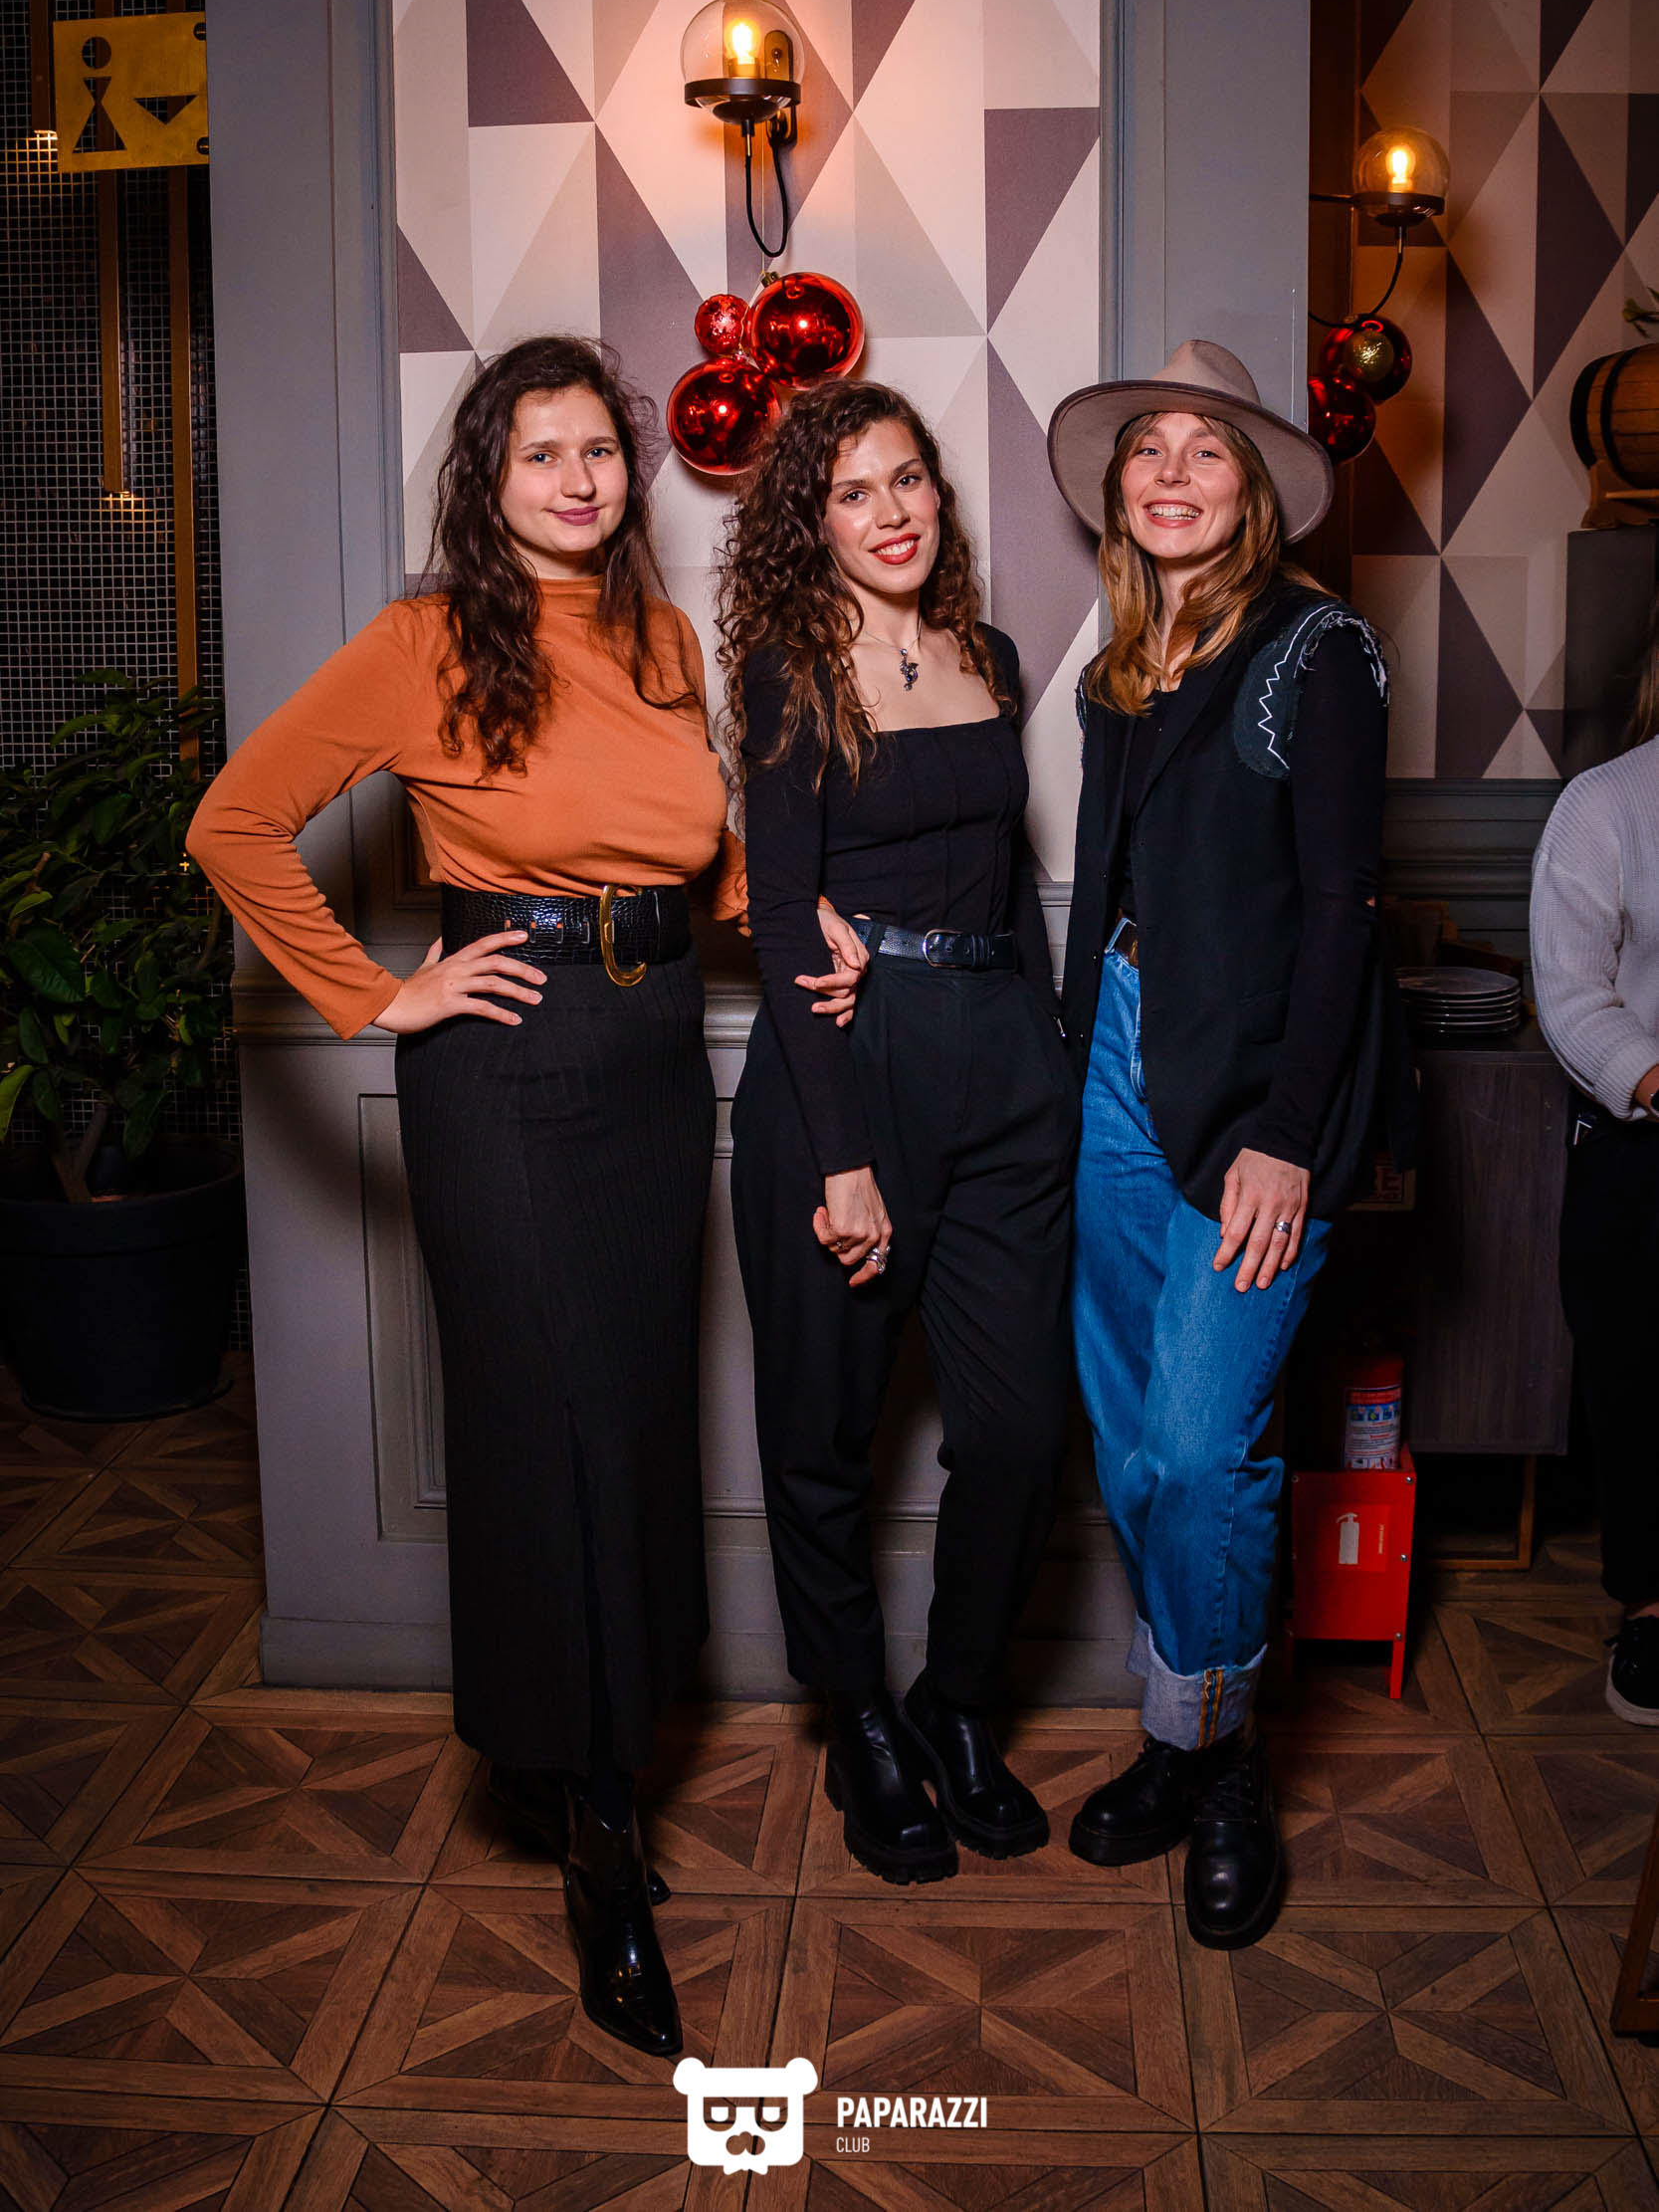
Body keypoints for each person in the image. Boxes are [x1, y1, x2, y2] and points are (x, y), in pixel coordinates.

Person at [186, 335, 857, 2058]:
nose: (576, 479)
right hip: (503, 1063)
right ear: (487, 483)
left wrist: (791, 918)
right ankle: (596, 1834)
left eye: (596, 452)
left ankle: (593, 1758)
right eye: (538, 453)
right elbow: (234, 824)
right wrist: (376, 995)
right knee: (545, 1432)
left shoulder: (660, 639)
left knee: (628, 1422)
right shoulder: (423, 643)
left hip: (647, 1058)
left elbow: (685, 856)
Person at [1048, 338, 1415, 1950]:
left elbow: (1341, 908)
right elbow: (1106, 897)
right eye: (1149, 447)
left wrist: (1284, 1137)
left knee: (1204, 1446)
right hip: (1116, 1069)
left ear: (1253, 488)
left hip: (1255, 1092)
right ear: (1119, 489)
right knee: (1131, 1442)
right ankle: (1176, 1731)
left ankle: (1224, 1765)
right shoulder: (1120, 672)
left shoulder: (1315, 648)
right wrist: (1068, 1073)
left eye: (1206, 447)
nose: (1171, 471)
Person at [716, 379, 1078, 1887]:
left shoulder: (989, 655)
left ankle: (958, 1700)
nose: (891, 512)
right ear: (810, 523)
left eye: (909, 478)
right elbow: (779, 926)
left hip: (1003, 1069)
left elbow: (1009, 881)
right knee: (822, 1437)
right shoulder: (790, 674)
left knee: (1018, 1428)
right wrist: (842, 1155)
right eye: (853, 491)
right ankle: (859, 1719)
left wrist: (1053, 1070)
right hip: (846, 1078)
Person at [1531, 594, 1659, 1726]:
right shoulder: (1606, 802)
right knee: (1641, 1392)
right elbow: (1571, 995)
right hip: (1641, 1154)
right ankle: (1651, 1612)